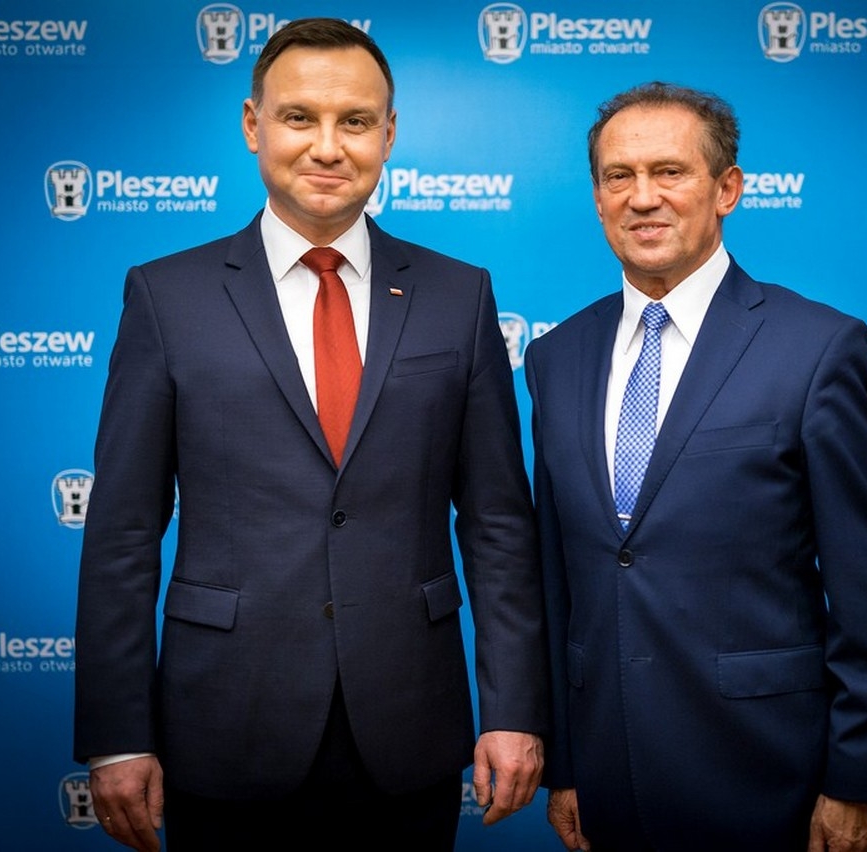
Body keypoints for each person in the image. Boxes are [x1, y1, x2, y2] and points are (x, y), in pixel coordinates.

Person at [73, 18, 546, 851]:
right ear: (253, 125)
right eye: (300, 117)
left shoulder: (459, 295)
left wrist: (512, 709)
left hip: (407, 727)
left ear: (388, 135)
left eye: (355, 121)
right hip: (223, 724)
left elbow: (498, 524)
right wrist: (117, 734)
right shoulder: (166, 297)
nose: (328, 147)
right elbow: (122, 532)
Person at [524, 81, 867, 851]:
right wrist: (565, 760)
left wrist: (858, 778)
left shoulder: (816, 348)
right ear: (597, 199)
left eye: (669, 172)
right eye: (619, 176)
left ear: (727, 189)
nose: (642, 197)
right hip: (608, 770)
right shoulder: (555, 356)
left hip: (768, 772)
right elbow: (556, 578)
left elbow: (866, 586)